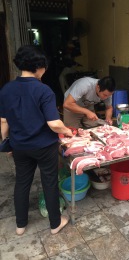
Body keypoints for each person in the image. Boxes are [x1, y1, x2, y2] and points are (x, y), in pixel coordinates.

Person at [0, 45, 73, 236]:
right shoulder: (44, 91)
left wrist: (6, 141)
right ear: (39, 67)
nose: (45, 70)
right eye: (44, 66)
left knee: (22, 183)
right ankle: (55, 224)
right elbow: (54, 123)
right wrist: (68, 131)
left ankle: (20, 225)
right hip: (44, 146)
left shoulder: (6, 89)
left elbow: (3, 121)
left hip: (19, 146)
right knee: (49, 182)